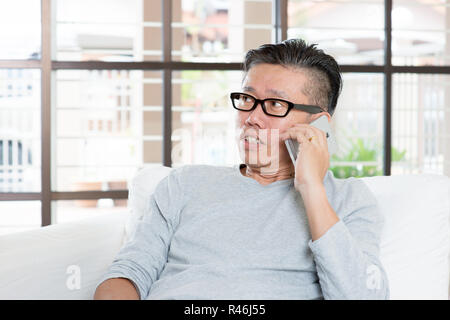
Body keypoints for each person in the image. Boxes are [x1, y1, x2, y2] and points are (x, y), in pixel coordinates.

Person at [94, 38, 390, 300]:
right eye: (247, 99)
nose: (251, 117)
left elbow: (362, 295)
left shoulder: (348, 200)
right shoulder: (185, 184)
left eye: (275, 104)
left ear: (317, 125)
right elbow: (129, 273)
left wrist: (312, 187)